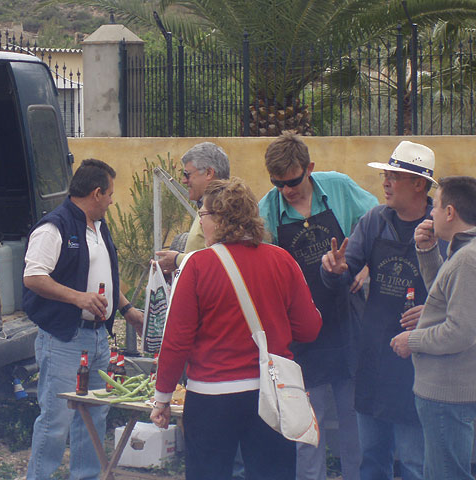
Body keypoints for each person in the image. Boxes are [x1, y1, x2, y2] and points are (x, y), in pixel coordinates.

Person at [150, 178, 322, 480]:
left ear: (219, 218)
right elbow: (309, 329)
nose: (201, 223)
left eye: (202, 216)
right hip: (271, 396)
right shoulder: (283, 260)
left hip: (212, 398)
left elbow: (176, 341)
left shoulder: (197, 266)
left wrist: (162, 397)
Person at [321, 140, 445, 480]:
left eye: (394, 177)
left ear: (419, 184)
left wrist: (433, 310)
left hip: (421, 364)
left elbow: (463, 294)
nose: (385, 183)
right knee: (371, 459)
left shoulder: (445, 227)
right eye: (385, 176)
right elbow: (346, 273)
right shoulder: (374, 220)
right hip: (374, 355)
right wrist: (334, 270)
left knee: (414, 462)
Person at [258, 131, 376, 480]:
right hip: (301, 331)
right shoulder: (268, 209)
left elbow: (376, 222)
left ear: (309, 168)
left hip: (346, 319)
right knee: (308, 420)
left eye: (293, 181)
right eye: (278, 184)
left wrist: (366, 267)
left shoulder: (339, 187)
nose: (287, 190)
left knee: (354, 416)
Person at [23, 158, 144, 480]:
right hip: (64, 337)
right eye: (110, 194)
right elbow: (33, 277)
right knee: (55, 420)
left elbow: (103, 277)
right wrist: (78, 298)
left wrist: (128, 309)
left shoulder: (99, 227)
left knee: (94, 415)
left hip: (97, 335)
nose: (112, 201)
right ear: (96, 193)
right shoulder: (54, 226)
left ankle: (87, 476)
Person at [390, 176, 476, 480]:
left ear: (450, 212)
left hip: (449, 396)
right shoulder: (464, 253)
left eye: (436, 206)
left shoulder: (468, 259)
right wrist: (427, 252)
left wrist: (412, 340)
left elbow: (459, 331)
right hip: (451, 395)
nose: (431, 214)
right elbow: (447, 300)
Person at [155, 142, 230, 274]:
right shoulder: (208, 204)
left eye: (187, 174)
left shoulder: (224, 206)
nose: (183, 180)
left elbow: (223, 259)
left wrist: (177, 259)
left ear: (208, 173)